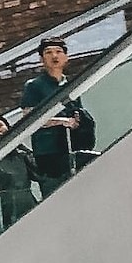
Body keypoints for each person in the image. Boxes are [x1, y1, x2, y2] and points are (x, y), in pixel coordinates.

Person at [18, 38, 92, 200]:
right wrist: (62, 122)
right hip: (48, 152)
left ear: (66, 57)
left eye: (58, 52)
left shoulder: (71, 84)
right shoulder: (34, 86)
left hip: (70, 147)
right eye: (48, 52)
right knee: (56, 196)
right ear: (41, 59)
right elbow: (29, 119)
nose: (54, 56)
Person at [0, 114, 39, 237]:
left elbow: (39, 174)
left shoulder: (21, 153)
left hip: (26, 202)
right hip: (2, 208)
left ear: (8, 128)